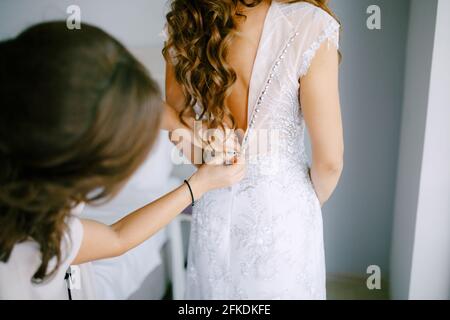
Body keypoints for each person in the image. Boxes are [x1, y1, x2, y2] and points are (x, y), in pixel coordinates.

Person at [0, 22, 245, 299]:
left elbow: (132, 107)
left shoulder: (31, 95)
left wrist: (188, 128)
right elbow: (118, 237)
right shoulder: (38, 239)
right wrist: (197, 186)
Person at [164, 0, 344, 299]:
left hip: (214, 204)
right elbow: (330, 162)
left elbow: (183, 137)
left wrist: (214, 162)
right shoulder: (310, 23)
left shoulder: (187, 20)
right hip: (284, 211)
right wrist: (301, 205)